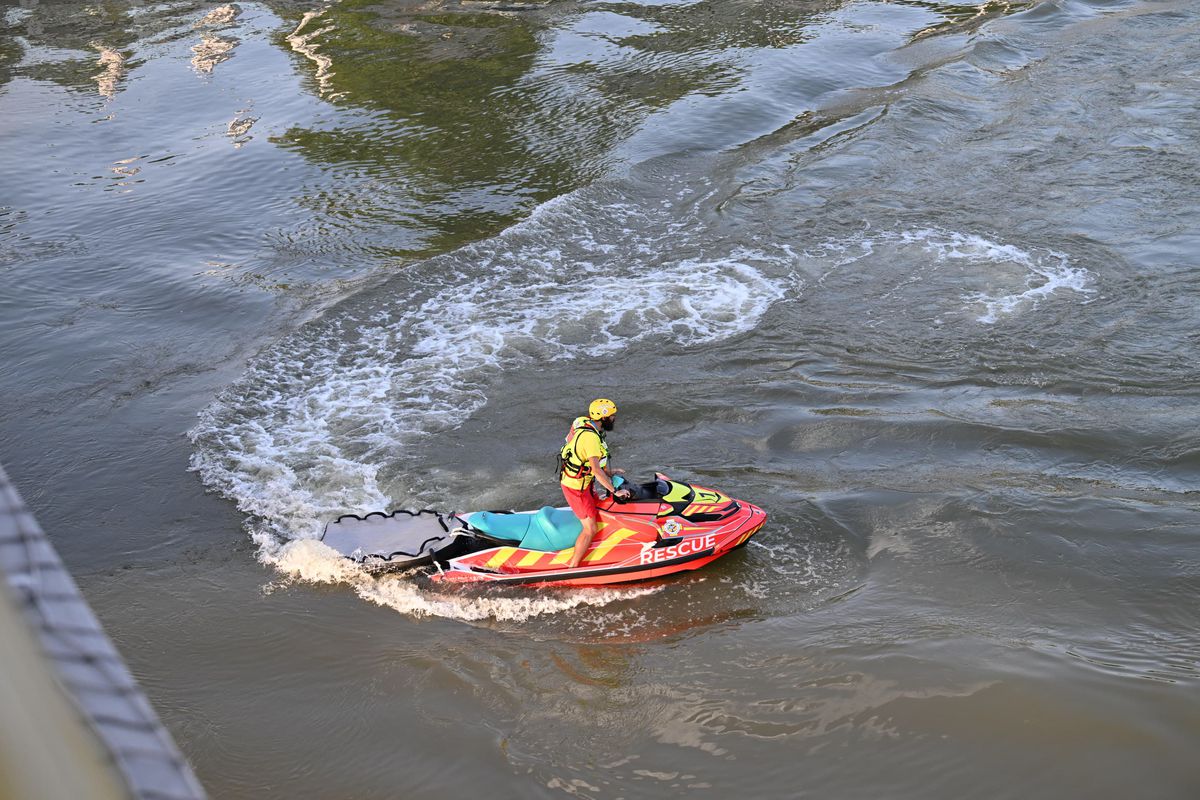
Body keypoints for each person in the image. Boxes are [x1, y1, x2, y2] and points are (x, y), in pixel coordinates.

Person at [558, 398, 630, 568]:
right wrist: (615, 491)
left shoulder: (583, 422)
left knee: (600, 508)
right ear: (603, 418)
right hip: (576, 488)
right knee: (590, 529)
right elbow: (596, 470)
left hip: (584, 483)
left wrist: (609, 472)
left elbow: (583, 457)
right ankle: (573, 567)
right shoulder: (591, 439)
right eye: (612, 416)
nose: (614, 418)